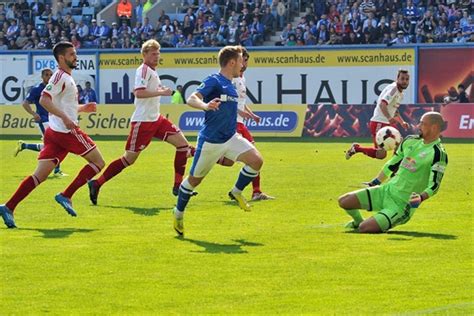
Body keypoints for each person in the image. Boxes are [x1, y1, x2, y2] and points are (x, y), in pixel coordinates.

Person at [0, 42, 105, 228]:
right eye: (72, 54)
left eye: (75, 53)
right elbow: (43, 100)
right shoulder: (60, 77)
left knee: (39, 176)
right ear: (62, 58)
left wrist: (82, 108)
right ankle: (66, 194)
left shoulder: (65, 77)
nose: (76, 57)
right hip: (66, 133)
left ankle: (8, 206)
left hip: (55, 133)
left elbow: (62, 105)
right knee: (98, 163)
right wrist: (66, 119)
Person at [87, 39, 195, 205]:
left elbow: (143, 90)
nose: (156, 57)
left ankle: (178, 185)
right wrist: (161, 92)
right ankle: (97, 183)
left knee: (183, 146)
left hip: (156, 119)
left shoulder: (152, 71)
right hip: (143, 122)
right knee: (129, 159)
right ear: (144, 55)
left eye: (158, 54)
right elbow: (139, 93)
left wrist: (160, 91)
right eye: (153, 54)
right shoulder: (143, 70)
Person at [173, 45, 265, 236]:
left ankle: (237, 191)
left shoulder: (232, 85)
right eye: (241, 60)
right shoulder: (214, 80)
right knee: (192, 182)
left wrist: (244, 113)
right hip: (210, 142)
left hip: (231, 137)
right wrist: (205, 105)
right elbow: (192, 98)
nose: (243, 64)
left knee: (257, 161)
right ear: (232, 62)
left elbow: (230, 106)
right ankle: (178, 213)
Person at [338, 112, 448, 233]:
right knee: (344, 201)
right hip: (386, 191)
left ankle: (380, 219)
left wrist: (420, 197)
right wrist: (375, 182)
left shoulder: (438, 153)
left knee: (365, 228)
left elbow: (434, 185)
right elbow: (392, 164)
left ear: (434, 127)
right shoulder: (410, 141)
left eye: (422, 123)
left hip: (401, 205)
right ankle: (358, 220)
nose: (418, 126)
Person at [219, 47, 274, 201]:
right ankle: (202, 152)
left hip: (241, 122)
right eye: (242, 60)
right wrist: (240, 112)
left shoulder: (242, 78)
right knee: (246, 157)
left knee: (247, 157)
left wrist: (250, 114)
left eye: (246, 60)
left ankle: (256, 191)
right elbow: (227, 100)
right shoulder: (231, 79)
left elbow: (241, 101)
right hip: (232, 121)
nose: (244, 63)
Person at [346, 69, 410, 160]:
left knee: (400, 144)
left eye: (407, 79)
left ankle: (394, 169)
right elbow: (382, 104)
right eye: (402, 79)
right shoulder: (394, 89)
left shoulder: (400, 93)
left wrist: (402, 122)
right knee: (380, 154)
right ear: (397, 79)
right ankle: (356, 149)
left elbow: (394, 110)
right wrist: (389, 117)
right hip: (379, 122)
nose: (405, 81)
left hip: (387, 123)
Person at [14, 68, 65, 176]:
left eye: (51, 75)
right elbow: (25, 103)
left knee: (52, 145)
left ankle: (24, 146)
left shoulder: (53, 88)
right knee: (56, 145)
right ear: (42, 77)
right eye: (46, 75)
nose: (49, 77)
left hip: (53, 120)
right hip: (43, 120)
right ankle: (57, 171)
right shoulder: (37, 89)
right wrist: (33, 114)